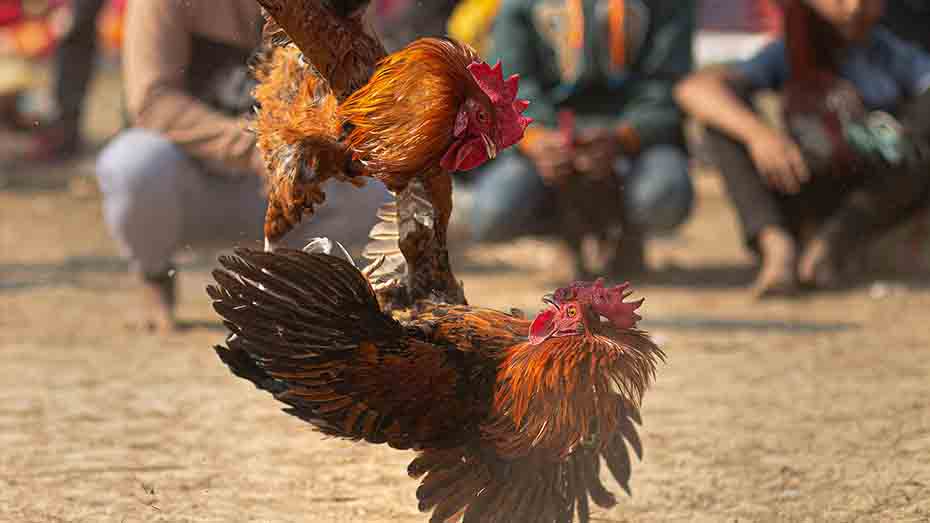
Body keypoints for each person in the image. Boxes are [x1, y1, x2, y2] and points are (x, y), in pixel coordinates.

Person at [96, 0, 388, 331]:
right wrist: (255, 147)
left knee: (378, 184)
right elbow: (152, 102)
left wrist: (314, 144)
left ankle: (291, 284)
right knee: (133, 165)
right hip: (191, 180)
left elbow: (363, 96)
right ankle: (154, 274)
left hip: (288, 187)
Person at [676, 0, 930, 297]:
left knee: (919, 149)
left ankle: (830, 246)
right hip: (800, 177)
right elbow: (693, 89)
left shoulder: (894, 56)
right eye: (841, 0)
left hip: (868, 193)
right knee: (724, 123)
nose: (854, 9)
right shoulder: (788, 53)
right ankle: (777, 247)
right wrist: (760, 135)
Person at [469, 0, 695, 275]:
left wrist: (625, 136)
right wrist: (535, 139)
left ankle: (625, 237)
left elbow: (667, 86)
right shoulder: (518, 5)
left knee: (663, 194)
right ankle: (565, 238)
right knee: (493, 211)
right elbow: (507, 85)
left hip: (636, 140)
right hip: (546, 135)